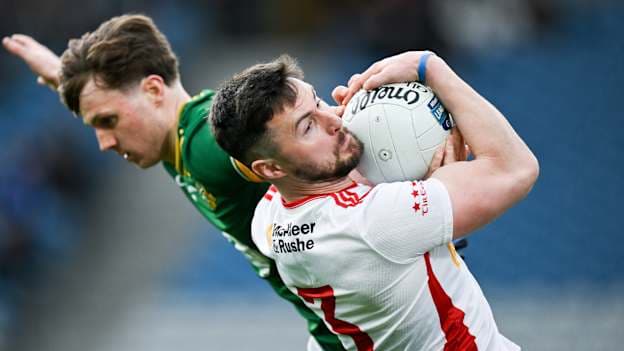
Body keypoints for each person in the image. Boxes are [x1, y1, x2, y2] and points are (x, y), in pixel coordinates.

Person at [2, 14, 349, 350]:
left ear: (153, 90)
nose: (104, 142)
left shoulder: (205, 147)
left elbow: (291, 127)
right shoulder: (175, 142)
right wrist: (60, 76)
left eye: (108, 120)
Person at [210, 52, 539, 350]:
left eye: (320, 103)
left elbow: (264, 170)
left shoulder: (269, 219)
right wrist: (429, 68)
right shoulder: (374, 221)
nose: (335, 120)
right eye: (308, 127)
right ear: (270, 168)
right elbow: (516, 169)